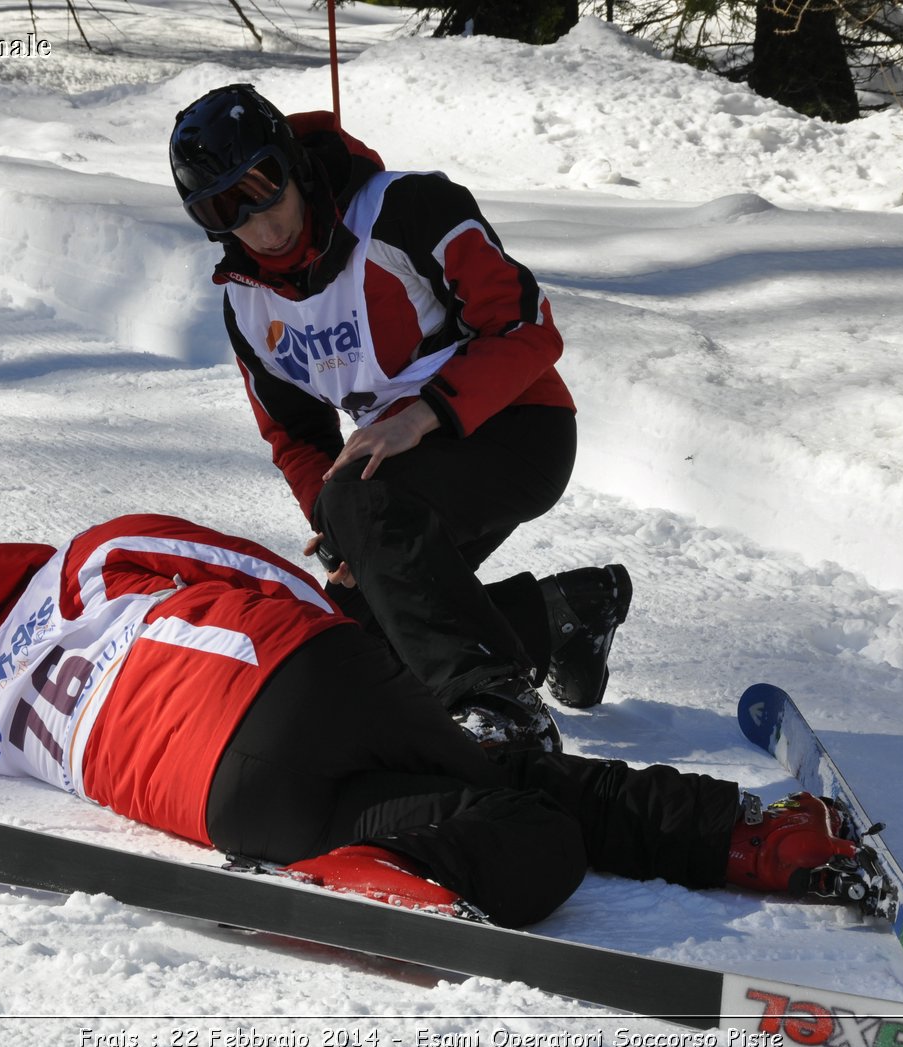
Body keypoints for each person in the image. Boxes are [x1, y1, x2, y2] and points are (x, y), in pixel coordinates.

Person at [0, 513, 862, 928]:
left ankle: (382, 876)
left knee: (516, 836)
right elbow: (244, 567)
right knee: (519, 778)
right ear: (25, 563)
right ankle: (754, 840)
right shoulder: (88, 559)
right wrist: (347, 644)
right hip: (297, 678)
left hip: (239, 807)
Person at [167, 83, 632, 753]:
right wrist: (338, 530)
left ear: (293, 161)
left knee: (367, 516)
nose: (262, 224)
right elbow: (295, 435)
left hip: (518, 428)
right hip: (396, 472)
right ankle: (568, 613)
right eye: (225, 208)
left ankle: (498, 707)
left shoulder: (405, 210)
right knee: (359, 639)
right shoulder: (247, 306)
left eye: (264, 184)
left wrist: (423, 416)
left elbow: (528, 328)